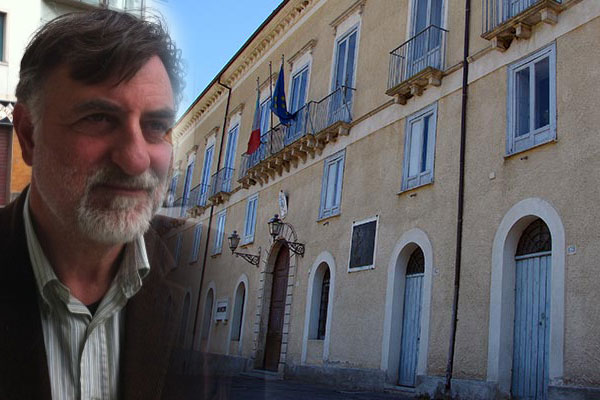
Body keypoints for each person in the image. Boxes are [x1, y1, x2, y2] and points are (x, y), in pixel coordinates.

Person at [0, 9, 187, 400]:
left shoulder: (190, 284)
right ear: (29, 135)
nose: (135, 159)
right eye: (99, 118)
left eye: (156, 126)